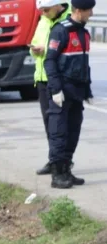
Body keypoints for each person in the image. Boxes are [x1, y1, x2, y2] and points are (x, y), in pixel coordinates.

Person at [43, 0, 95, 189]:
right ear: (79, 11)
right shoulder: (61, 31)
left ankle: (66, 170)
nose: (91, 15)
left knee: (73, 133)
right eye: (89, 11)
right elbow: (49, 62)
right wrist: (56, 89)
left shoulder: (84, 33)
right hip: (62, 91)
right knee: (59, 133)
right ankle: (57, 175)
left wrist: (87, 90)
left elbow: (84, 64)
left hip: (77, 92)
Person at [32, 0, 72, 177]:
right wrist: (34, 50)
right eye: (41, 10)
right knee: (49, 124)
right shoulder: (43, 21)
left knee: (62, 126)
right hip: (41, 78)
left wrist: (47, 51)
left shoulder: (68, 21)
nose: (43, 13)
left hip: (58, 80)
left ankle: (64, 163)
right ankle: (53, 160)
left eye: (45, 9)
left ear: (58, 6)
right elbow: (33, 44)